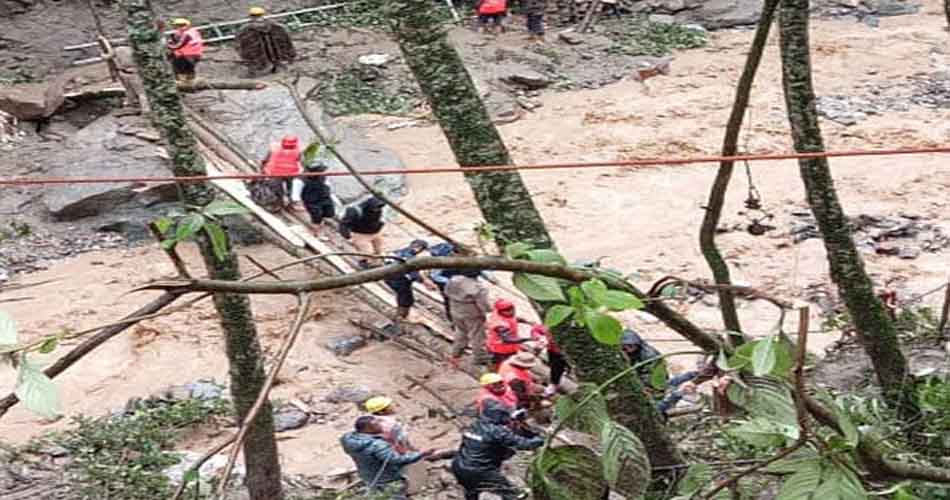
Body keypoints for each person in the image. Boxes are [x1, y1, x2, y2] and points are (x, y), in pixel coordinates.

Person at [451, 401, 544, 500]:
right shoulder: (497, 432)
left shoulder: (475, 425)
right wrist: (541, 439)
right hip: (481, 470)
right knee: (516, 495)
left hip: (459, 466)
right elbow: (525, 444)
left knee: (472, 491)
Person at [341, 416, 433, 499]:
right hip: (387, 478)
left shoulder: (348, 440)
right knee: (396, 495)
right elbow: (397, 460)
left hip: (367, 476)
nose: (381, 425)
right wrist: (421, 454)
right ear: (368, 429)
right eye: (376, 424)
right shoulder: (377, 445)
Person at [446, 269, 492, 368]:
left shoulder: (454, 280)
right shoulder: (478, 288)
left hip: (455, 310)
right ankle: (480, 357)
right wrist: (490, 310)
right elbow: (484, 305)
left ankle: (456, 352)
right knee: (477, 335)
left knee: (461, 331)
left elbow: (446, 292)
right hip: (472, 314)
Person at [385, 240, 436, 322]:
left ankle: (402, 315)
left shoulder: (401, 252)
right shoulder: (406, 257)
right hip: (398, 279)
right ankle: (401, 317)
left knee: (404, 297)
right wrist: (424, 280)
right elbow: (410, 272)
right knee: (406, 299)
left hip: (391, 276)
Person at [235, 7, 296, 76]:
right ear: (263, 14)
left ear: (250, 16)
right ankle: (277, 65)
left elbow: (241, 46)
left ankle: (261, 68)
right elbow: (287, 42)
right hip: (279, 60)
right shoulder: (278, 26)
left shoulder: (244, 30)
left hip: (259, 63)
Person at [340, 197, 386, 264]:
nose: (377, 209)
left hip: (376, 233)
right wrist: (348, 237)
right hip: (360, 235)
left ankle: (379, 263)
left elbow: (380, 219)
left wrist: (381, 227)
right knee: (368, 253)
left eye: (379, 207)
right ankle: (368, 265)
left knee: (380, 251)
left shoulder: (379, 209)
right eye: (376, 207)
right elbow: (344, 224)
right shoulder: (354, 211)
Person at [261, 135, 303, 210]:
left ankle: (279, 203)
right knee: (291, 188)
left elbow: (265, 160)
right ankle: (290, 203)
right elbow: (300, 162)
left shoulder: (274, 148)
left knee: (278, 189)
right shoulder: (299, 150)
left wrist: (262, 169)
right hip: (288, 172)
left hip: (276, 172)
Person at [528, 324, 569, 395]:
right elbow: (535, 329)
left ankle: (567, 371)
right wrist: (539, 338)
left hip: (566, 352)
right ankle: (554, 384)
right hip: (554, 352)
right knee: (555, 368)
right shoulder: (547, 326)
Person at [300, 159, 334, 237]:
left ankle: (323, 225)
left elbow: (329, 186)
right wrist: (299, 202)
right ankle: (317, 232)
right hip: (311, 201)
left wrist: (329, 193)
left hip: (324, 197)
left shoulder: (323, 177)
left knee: (330, 212)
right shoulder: (302, 180)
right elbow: (296, 193)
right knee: (316, 216)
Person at [166, 18, 204, 83]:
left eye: (181, 26)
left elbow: (178, 45)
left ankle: (181, 81)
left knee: (178, 66)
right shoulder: (193, 31)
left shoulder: (187, 34)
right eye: (178, 26)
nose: (179, 27)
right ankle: (191, 81)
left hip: (187, 54)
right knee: (189, 69)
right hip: (196, 53)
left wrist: (168, 45)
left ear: (186, 25)